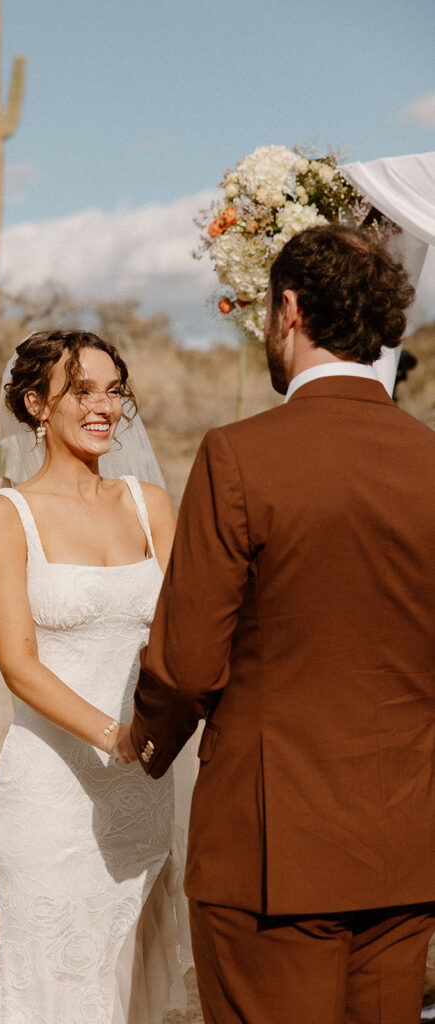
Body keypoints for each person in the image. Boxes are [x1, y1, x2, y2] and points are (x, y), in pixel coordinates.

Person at [119, 223, 435, 1024]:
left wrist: (144, 742)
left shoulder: (238, 456)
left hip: (269, 851)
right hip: (406, 845)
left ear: (287, 309)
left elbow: (187, 663)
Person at [0, 329, 190, 1024]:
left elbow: (184, 635)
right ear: (36, 404)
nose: (103, 406)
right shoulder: (5, 514)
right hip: (52, 794)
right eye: (81, 390)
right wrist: (112, 733)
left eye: (113, 390)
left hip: (143, 785)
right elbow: (16, 663)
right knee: (48, 978)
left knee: (122, 973)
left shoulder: (148, 505)